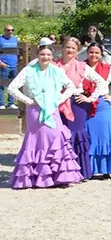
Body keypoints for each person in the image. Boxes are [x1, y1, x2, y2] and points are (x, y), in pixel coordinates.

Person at [7, 42, 84, 189]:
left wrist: (59, 99)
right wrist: (29, 101)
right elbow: (12, 88)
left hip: (52, 110)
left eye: (48, 55)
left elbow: (71, 87)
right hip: (35, 112)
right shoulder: (28, 70)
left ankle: (57, 176)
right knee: (36, 141)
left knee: (55, 138)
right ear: (37, 55)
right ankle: (34, 178)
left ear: (52, 56)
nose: (45, 57)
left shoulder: (57, 71)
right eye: (42, 54)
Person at [54, 38, 98, 181]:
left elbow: (101, 83)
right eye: (68, 47)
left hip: (77, 104)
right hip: (58, 104)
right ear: (62, 48)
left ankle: (80, 171)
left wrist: (90, 98)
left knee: (76, 135)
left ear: (77, 51)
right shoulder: (54, 66)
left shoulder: (82, 66)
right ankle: (61, 172)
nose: (70, 50)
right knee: (60, 136)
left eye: (73, 48)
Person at [81, 43, 111, 179]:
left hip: (101, 106)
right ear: (87, 53)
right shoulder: (80, 67)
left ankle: (106, 168)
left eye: (97, 53)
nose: (94, 55)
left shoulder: (107, 69)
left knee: (104, 137)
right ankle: (88, 168)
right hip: (85, 104)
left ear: (101, 55)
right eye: (91, 52)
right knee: (88, 136)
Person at [1, 23, 19, 109]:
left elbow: (18, 51)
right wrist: (1, 63)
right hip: (4, 66)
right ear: (4, 31)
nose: (10, 32)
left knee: (13, 85)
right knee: (2, 85)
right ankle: (1, 104)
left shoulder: (15, 39)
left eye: (12, 30)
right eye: (8, 30)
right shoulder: (1, 39)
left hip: (14, 66)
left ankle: (11, 103)